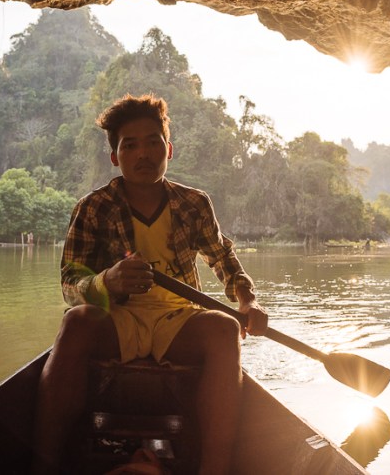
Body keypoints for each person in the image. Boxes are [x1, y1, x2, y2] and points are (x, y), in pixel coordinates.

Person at [32, 94, 268, 474]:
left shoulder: (194, 204)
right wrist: (107, 282)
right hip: (118, 318)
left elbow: (223, 258)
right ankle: (42, 467)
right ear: (115, 157)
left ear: (169, 149)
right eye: (130, 145)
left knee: (225, 329)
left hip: (178, 319)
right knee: (75, 323)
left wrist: (247, 301)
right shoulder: (93, 207)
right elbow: (71, 285)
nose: (143, 153)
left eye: (153, 141)